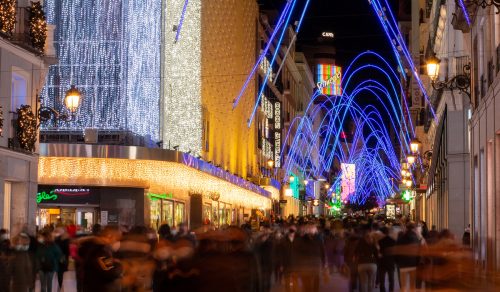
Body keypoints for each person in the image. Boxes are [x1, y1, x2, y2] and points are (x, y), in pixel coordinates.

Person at [82, 226, 123, 292]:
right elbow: (109, 272)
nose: (117, 242)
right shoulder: (101, 250)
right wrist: (119, 265)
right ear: (109, 236)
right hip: (98, 287)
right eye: (117, 238)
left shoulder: (97, 246)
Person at [396, 223, 420, 292]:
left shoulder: (401, 238)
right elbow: (419, 252)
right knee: (412, 285)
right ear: (413, 229)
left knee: (403, 285)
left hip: (403, 265)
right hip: (413, 264)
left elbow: (397, 250)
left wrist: (398, 262)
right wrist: (417, 262)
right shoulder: (416, 239)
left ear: (406, 228)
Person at [354, 227, 378, 292]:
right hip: (372, 264)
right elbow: (377, 254)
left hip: (361, 264)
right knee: (370, 282)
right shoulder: (373, 243)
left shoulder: (360, 243)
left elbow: (356, 252)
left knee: (363, 282)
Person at [378, 226, 396, 292]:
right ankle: (391, 290)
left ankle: (382, 290)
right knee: (391, 279)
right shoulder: (393, 241)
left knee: (382, 279)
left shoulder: (380, 241)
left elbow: (378, 251)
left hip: (382, 261)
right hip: (391, 261)